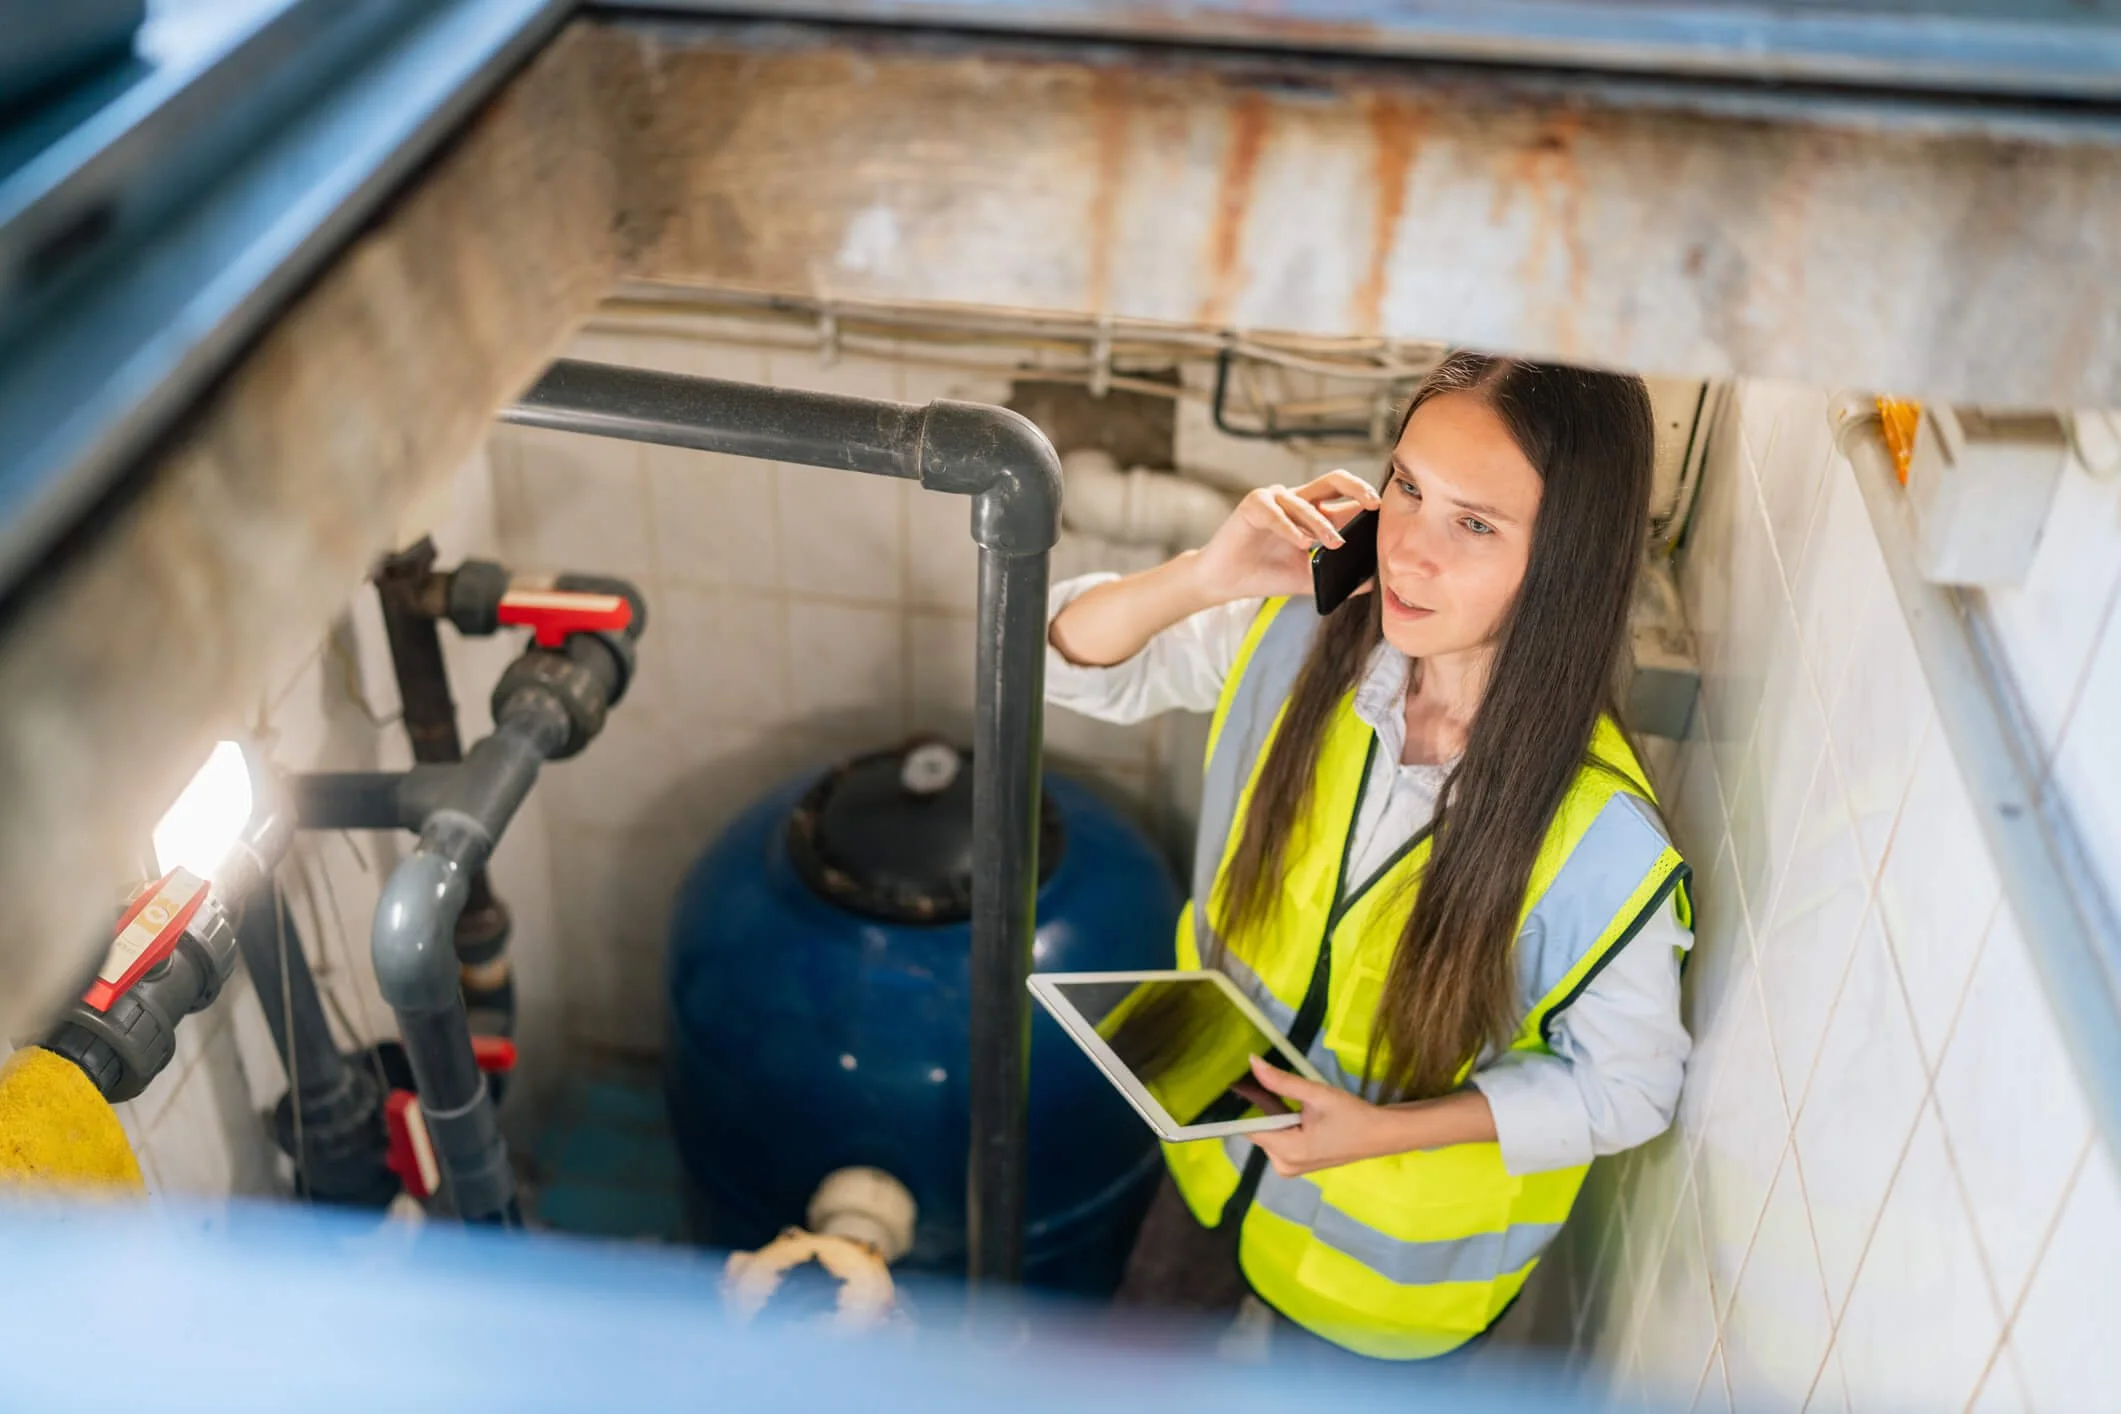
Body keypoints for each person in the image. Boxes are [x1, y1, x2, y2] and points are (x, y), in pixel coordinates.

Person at [1045, 351, 1693, 1365]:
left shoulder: (1603, 843)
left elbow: (1629, 1089)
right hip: (1219, 1157)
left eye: (1474, 524)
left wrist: (1380, 1132)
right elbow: (1064, 662)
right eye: (1407, 489)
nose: (1408, 553)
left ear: (1566, 557)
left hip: (1382, 1292)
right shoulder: (1300, 637)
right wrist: (1207, 574)